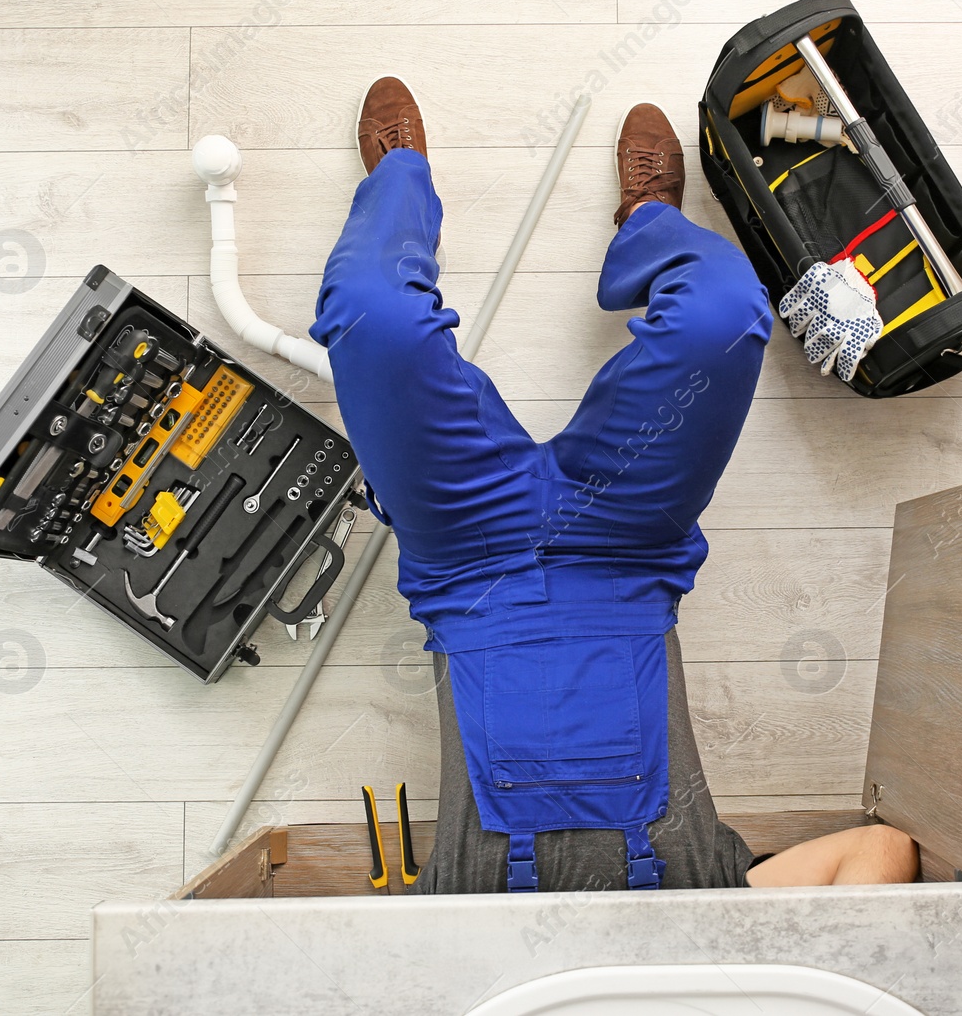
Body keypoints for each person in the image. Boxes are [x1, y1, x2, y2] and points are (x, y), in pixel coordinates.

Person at [311, 77, 918, 893]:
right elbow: (882, 855)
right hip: (623, 549)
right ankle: (647, 225)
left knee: (371, 314)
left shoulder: (455, 930)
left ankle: (400, 182)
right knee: (725, 311)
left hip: (468, 561)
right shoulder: (710, 911)